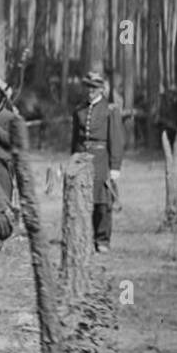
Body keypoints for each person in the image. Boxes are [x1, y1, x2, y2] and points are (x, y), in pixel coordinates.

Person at [70, 71, 124, 253]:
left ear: (101, 88)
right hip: (82, 161)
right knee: (83, 202)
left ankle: (102, 240)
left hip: (101, 161)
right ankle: (84, 237)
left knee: (102, 203)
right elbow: (75, 140)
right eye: (88, 87)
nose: (90, 91)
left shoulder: (110, 110)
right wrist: (73, 161)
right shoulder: (79, 110)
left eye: (94, 87)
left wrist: (115, 167)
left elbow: (116, 140)